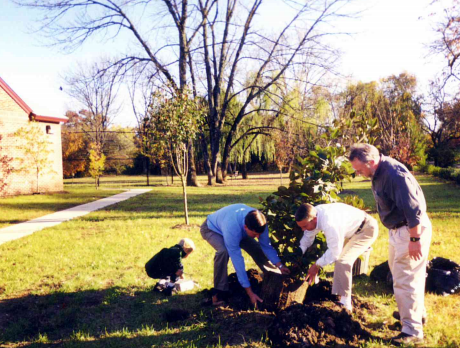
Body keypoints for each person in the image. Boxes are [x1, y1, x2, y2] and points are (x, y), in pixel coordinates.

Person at [349, 143, 432, 346]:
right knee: (400, 274)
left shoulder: (394, 175)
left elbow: (414, 209)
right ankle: (414, 314)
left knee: (407, 279)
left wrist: (414, 239)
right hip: (398, 230)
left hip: (410, 230)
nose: (358, 173)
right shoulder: (378, 173)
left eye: (359, 169)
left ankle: (412, 331)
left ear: (371, 161)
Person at [200, 204, 290, 306]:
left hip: (238, 229)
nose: (257, 237)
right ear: (246, 227)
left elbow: (266, 246)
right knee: (223, 251)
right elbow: (238, 260)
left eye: (259, 234)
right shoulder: (232, 228)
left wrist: (280, 265)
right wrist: (250, 292)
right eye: (255, 234)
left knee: (257, 249)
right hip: (212, 229)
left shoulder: (260, 222)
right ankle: (219, 292)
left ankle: (274, 277)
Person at [295, 203, 378, 311]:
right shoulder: (313, 215)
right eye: (301, 227)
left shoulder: (329, 223)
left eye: (304, 226)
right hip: (351, 231)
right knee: (338, 259)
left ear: (314, 219)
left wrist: (316, 265)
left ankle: (345, 303)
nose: (303, 229)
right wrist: (298, 255)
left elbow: (335, 252)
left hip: (366, 229)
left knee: (343, 261)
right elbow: (307, 239)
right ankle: (322, 287)